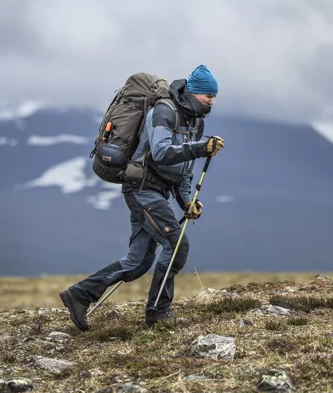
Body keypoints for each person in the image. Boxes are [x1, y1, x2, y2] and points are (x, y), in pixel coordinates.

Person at [59, 65, 225, 330]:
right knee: (176, 245)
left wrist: (186, 202)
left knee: (137, 263)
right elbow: (160, 153)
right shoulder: (164, 111)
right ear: (194, 92)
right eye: (208, 95)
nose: (212, 101)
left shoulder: (196, 120)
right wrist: (199, 148)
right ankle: (158, 312)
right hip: (141, 189)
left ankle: (79, 294)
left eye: (214, 96)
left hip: (156, 192)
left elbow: (184, 172)